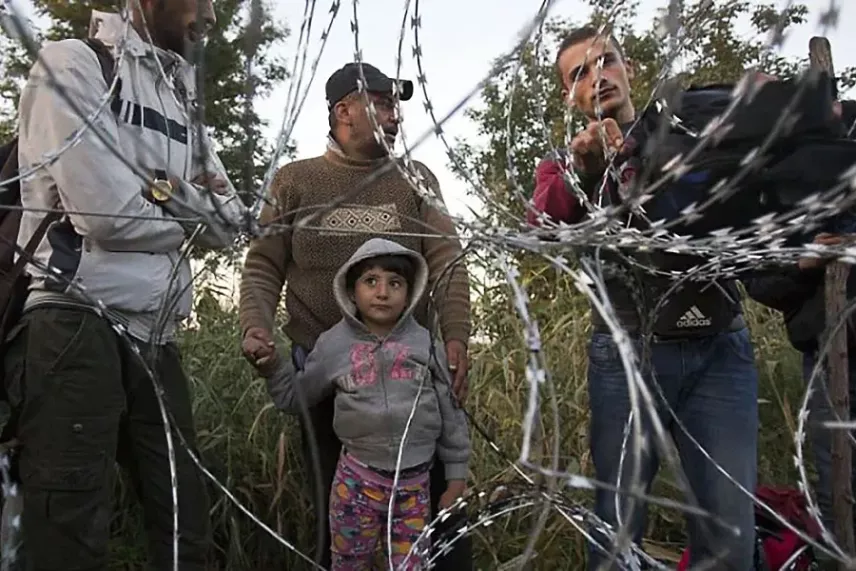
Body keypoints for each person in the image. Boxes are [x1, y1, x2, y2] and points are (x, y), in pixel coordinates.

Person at [5, 3, 247, 570]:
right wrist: (187, 197)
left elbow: (232, 220)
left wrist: (157, 189)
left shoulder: (181, 101)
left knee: (186, 521)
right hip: (74, 322)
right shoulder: (71, 66)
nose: (210, 14)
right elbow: (107, 216)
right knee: (68, 529)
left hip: (155, 334)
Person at [528, 26, 760, 569]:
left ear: (626, 67)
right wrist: (586, 174)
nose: (597, 77)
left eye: (605, 62)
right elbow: (541, 220)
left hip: (718, 346)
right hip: (626, 354)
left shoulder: (683, 129)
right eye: (579, 73)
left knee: (729, 532)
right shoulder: (564, 164)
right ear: (571, 96)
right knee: (616, 531)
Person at [238, 61, 474, 569]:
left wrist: (456, 334)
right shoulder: (295, 181)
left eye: (396, 105)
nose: (395, 116)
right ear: (343, 110)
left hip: (411, 375)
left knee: (438, 522)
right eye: (384, 103)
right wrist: (256, 328)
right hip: (325, 376)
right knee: (339, 521)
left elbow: (445, 258)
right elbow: (262, 265)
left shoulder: (415, 179)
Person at [262, 237, 470, 570]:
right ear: (351, 290)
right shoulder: (334, 345)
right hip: (356, 485)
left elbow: (451, 410)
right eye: (370, 281)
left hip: (414, 489)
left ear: (410, 293)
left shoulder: (426, 344)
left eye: (395, 283)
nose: (383, 292)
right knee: (347, 563)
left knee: (411, 566)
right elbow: (294, 397)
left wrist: (456, 477)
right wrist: (272, 366)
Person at [743, 98, 856, 570]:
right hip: (829, 360)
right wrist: (805, 259)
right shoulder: (767, 187)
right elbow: (757, 278)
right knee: (839, 495)